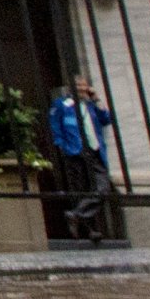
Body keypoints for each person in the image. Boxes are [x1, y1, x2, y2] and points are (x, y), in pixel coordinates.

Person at [48, 75, 115, 241]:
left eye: (84, 86)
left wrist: (97, 99)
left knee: (102, 188)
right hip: (75, 152)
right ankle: (88, 230)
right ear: (71, 88)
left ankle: (76, 215)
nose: (82, 89)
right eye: (78, 86)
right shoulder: (62, 105)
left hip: (95, 151)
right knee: (79, 190)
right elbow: (55, 128)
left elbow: (106, 120)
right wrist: (63, 147)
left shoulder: (91, 105)